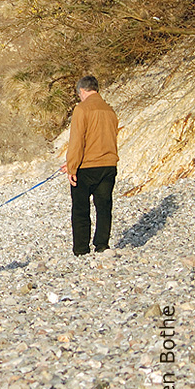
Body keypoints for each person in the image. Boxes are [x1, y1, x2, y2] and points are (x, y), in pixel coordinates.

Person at [61, 75, 120, 256]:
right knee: (104, 207)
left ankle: (81, 249)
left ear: (83, 91)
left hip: (86, 168)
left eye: (79, 94)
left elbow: (77, 141)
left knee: (80, 209)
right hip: (108, 165)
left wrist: (72, 167)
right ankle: (102, 245)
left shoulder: (82, 109)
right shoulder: (110, 111)